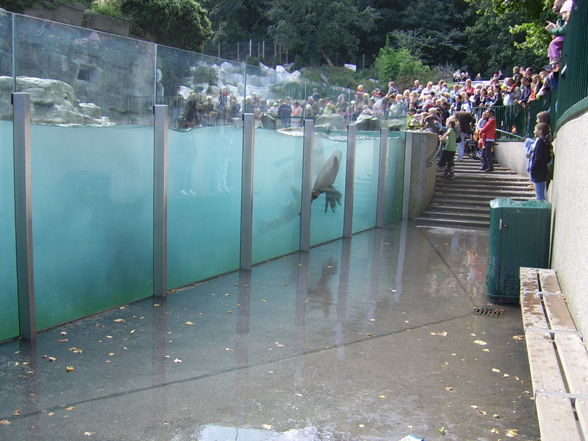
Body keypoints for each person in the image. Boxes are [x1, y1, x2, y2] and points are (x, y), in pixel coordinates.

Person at [530, 122, 553, 200]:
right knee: (542, 194)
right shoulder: (545, 141)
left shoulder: (540, 142)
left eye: (535, 129)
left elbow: (538, 157)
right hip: (543, 171)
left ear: (540, 131)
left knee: (540, 196)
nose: (534, 131)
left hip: (539, 172)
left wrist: (533, 168)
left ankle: (541, 211)